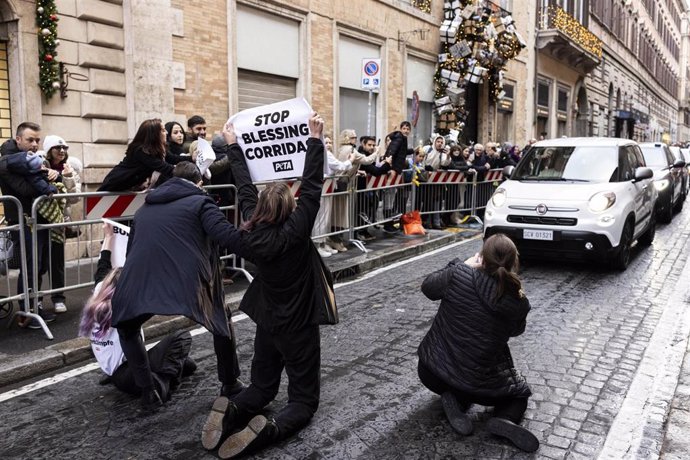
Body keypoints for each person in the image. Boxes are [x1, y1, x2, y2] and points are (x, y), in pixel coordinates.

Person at [207, 114, 327, 459]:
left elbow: (244, 189)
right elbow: (313, 188)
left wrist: (233, 145)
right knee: (303, 399)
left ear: (258, 210)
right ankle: (268, 430)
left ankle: (231, 410)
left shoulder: (249, 236)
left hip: (267, 320)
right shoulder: (296, 233)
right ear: (290, 210)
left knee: (261, 387)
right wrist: (314, 141)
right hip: (298, 325)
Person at [110, 161, 244, 413]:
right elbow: (227, 237)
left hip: (140, 278)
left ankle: (148, 392)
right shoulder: (202, 203)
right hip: (187, 279)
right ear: (199, 183)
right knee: (221, 318)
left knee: (127, 327)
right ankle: (230, 383)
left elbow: (131, 251)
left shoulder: (143, 209)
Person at [417, 234, 539, 453]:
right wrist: (515, 296)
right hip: (477, 384)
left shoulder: (459, 274)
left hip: (430, 371)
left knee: (460, 381)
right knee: (519, 395)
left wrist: (463, 265)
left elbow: (428, 287)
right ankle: (505, 419)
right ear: (513, 263)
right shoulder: (518, 303)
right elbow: (516, 331)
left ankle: (455, 401)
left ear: (482, 258)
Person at [79, 223, 196, 398]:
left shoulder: (98, 294)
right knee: (182, 338)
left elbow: (103, 264)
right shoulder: (125, 307)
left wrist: (109, 237)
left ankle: (165, 374)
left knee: (188, 364)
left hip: (115, 372)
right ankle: (161, 384)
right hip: (130, 374)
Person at [0, 122, 59, 328]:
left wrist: (52, 174)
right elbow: (25, 190)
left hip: (36, 219)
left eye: (37, 140)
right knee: (30, 266)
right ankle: (27, 311)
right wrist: (46, 179)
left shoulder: (32, 162)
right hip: (21, 220)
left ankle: (34, 307)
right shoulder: (7, 163)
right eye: (30, 140)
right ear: (18, 140)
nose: (35, 144)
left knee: (39, 265)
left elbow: (41, 181)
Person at [42, 135, 82, 314]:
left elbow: (74, 199)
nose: (62, 151)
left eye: (64, 148)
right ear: (49, 150)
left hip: (59, 223)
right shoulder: (40, 165)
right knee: (39, 264)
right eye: (58, 148)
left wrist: (67, 178)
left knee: (57, 262)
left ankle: (58, 298)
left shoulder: (70, 169)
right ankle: (36, 299)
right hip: (40, 221)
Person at [99, 119, 174, 192]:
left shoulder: (155, 151)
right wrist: (183, 172)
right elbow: (165, 168)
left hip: (129, 188)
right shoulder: (140, 151)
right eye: (163, 130)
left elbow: (175, 159)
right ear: (154, 135)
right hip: (115, 186)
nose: (167, 133)